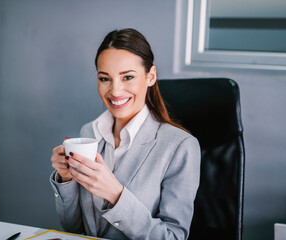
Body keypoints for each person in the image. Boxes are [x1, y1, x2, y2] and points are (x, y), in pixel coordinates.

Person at [50, 28, 200, 240]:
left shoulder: (180, 146)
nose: (115, 91)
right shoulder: (89, 132)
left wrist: (115, 194)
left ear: (151, 76)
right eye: (105, 79)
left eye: (127, 77)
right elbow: (74, 230)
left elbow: (173, 237)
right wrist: (66, 179)